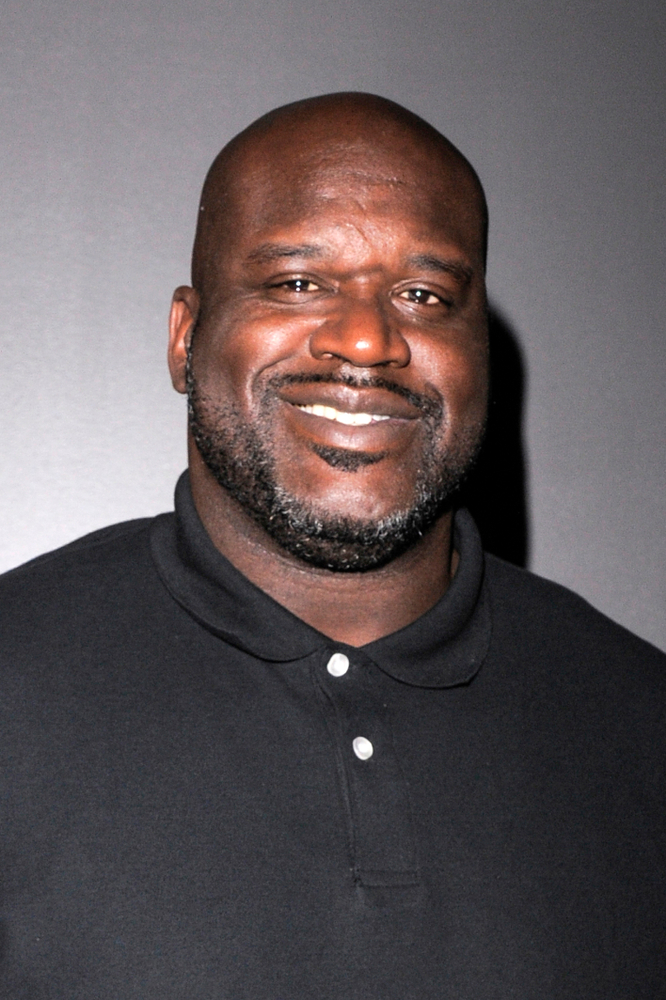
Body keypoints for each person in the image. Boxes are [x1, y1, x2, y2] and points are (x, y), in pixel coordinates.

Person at [0, 92, 664, 998]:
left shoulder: (640, 722)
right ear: (186, 339)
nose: (366, 338)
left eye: (424, 295)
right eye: (298, 283)